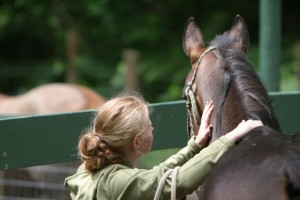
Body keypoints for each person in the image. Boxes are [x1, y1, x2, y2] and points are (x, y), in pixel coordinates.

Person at [64, 93, 263, 200]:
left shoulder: (90, 171)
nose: (153, 128)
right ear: (136, 142)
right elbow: (175, 182)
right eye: (149, 127)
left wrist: (195, 145)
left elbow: (156, 178)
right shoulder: (117, 182)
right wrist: (229, 139)